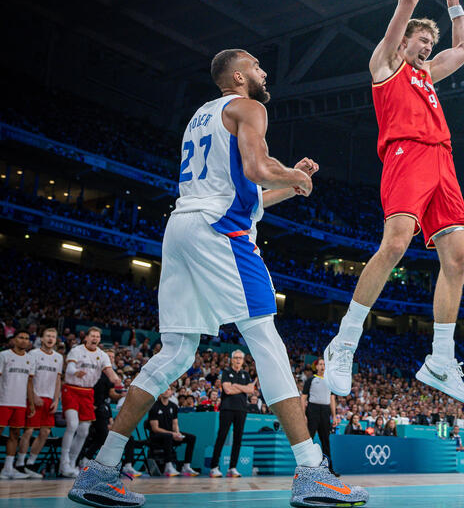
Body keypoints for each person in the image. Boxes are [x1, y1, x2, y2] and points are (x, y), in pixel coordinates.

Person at [68, 48, 367, 508]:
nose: (267, 74)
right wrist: (290, 173)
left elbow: (247, 196)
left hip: (182, 228)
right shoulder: (250, 106)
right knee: (265, 337)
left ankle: (101, 469)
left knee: (176, 351)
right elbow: (255, 170)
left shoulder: (201, 117)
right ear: (242, 75)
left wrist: (291, 183)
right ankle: (311, 470)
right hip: (217, 231)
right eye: (260, 67)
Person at [323, 0, 464, 406]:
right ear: (403, 43)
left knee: (459, 259)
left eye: (431, 41)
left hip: (442, 161)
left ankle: (441, 359)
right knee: (395, 244)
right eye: (421, 40)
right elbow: (405, 7)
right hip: (405, 154)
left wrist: (454, 3)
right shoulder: (386, 66)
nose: (427, 45)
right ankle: (345, 342)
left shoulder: (428, 74)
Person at [61, 327, 122, 477]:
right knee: (73, 425)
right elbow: (69, 367)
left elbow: (109, 370)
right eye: (92, 336)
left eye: (97, 336)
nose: (95, 338)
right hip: (72, 389)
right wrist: (75, 372)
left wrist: (115, 378)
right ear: (86, 338)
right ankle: (64, 463)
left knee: (83, 431)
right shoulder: (76, 351)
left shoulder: (102, 355)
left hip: (88, 393)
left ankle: (73, 463)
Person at [16, 327, 62, 478]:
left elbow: (57, 380)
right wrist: (33, 396)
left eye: (53, 337)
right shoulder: (32, 354)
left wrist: (56, 399)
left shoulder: (59, 357)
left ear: (55, 340)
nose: (50, 339)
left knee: (45, 432)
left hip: (49, 399)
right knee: (28, 430)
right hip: (34, 397)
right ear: (41, 338)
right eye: (48, 336)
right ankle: (20, 464)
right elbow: (28, 378)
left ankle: (31, 463)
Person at [210, 350, 254, 478]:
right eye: (236, 358)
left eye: (240, 358)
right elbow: (227, 390)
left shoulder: (246, 374)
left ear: (243, 360)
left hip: (241, 409)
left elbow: (251, 390)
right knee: (222, 437)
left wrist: (236, 385)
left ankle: (232, 468)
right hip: (227, 408)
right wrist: (242, 388)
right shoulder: (226, 372)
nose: (238, 360)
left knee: (238, 439)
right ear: (232, 359)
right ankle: (214, 467)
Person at [0, 330, 33, 480]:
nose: (24, 341)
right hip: (3, 400)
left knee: (14, 435)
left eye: (26, 338)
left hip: (20, 403)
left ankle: (7, 469)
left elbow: (29, 383)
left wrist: (31, 403)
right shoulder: (4, 355)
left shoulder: (30, 359)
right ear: (14, 340)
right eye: (21, 338)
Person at [147, 388, 198, 477]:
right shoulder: (154, 406)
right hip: (156, 437)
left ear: (171, 392)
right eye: (164, 389)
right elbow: (155, 428)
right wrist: (172, 434)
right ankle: (168, 466)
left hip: (170, 434)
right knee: (168, 436)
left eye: (168, 390)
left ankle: (186, 466)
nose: (166, 391)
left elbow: (175, 424)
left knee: (191, 437)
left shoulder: (173, 406)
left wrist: (178, 433)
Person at [302, 359, 337, 469]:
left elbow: (332, 399)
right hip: (313, 409)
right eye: (320, 364)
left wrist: (334, 416)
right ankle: (305, 468)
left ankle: (329, 469)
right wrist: (303, 414)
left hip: (325, 410)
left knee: (325, 440)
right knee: (310, 439)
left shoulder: (330, 381)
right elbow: (303, 398)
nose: (322, 366)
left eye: (324, 364)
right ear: (316, 367)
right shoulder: (311, 380)